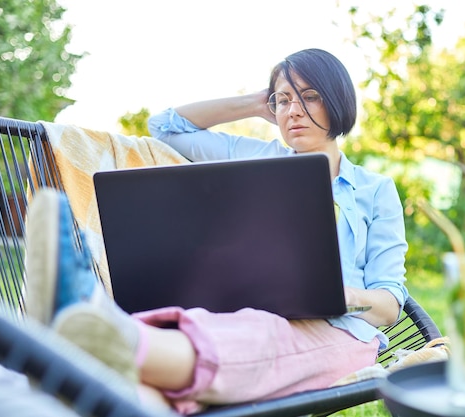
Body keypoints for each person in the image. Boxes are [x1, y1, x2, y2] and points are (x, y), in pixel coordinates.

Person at [24, 48, 409, 414]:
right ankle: (98, 341)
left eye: (309, 97)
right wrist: (259, 101)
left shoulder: (375, 191)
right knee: (163, 380)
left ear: (337, 100)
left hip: (340, 334)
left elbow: (390, 304)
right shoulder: (255, 157)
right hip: (244, 316)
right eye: (284, 100)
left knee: (259, 337)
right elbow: (165, 127)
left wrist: (342, 295)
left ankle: (98, 335)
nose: (293, 111)